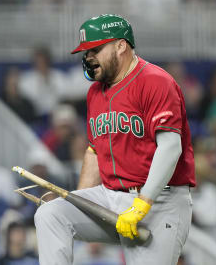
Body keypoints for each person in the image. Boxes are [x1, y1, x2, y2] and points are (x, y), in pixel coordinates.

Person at [34, 14, 196, 265]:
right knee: (51, 214)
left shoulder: (155, 81)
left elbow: (170, 147)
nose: (88, 58)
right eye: (86, 52)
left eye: (95, 50)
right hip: (111, 197)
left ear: (121, 46)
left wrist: (143, 204)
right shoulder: (94, 93)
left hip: (160, 201)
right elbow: (94, 151)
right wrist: (83, 200)